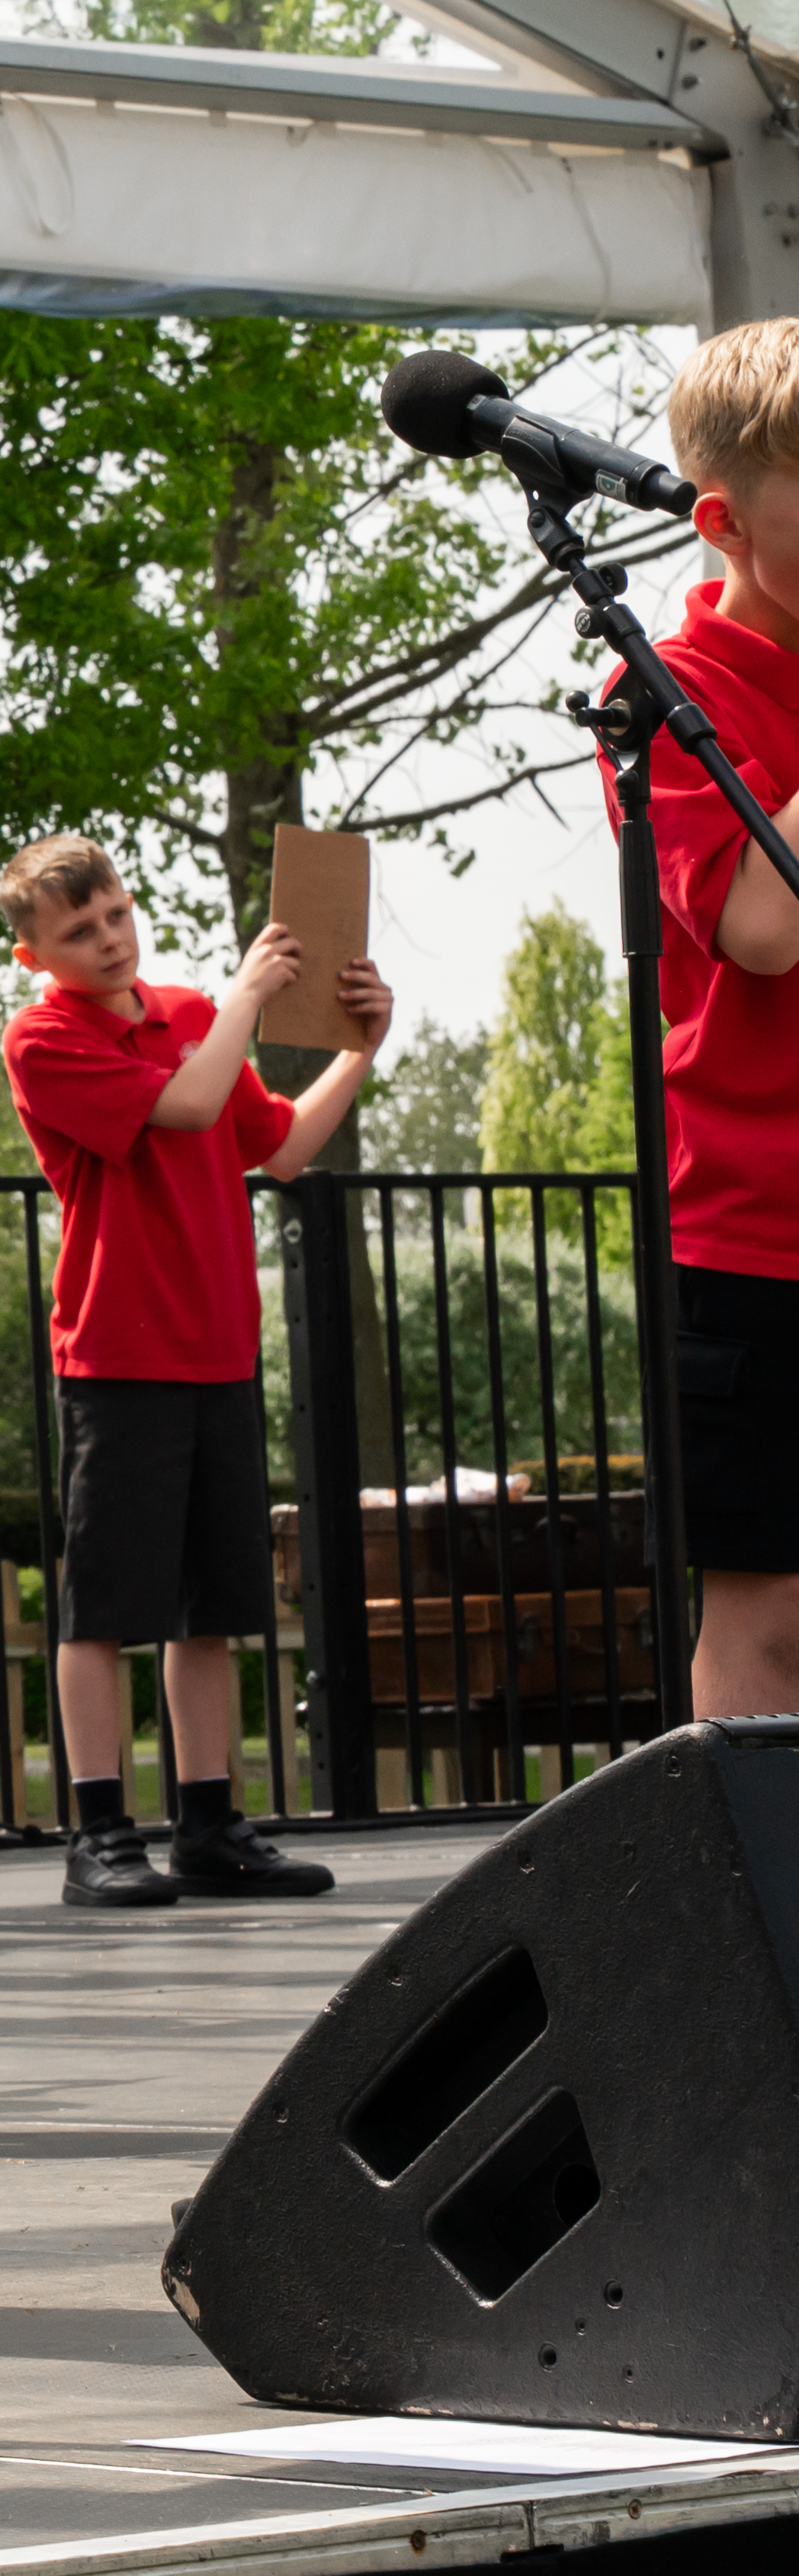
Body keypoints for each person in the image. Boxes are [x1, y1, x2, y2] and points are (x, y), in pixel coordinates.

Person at [1, 836, 386, 1904]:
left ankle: (211, 1826)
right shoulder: (41, 1037)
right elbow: (183, 1107)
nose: (109, 938)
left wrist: (358, 1050)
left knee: (213, 1609)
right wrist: (249, 1003)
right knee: (105, 1608)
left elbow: (284, 1145)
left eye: (116, 913)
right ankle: (101, 1837)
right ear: (36, 956)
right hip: (120, 1353)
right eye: (79, 931)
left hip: (219, 1348)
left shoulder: (185, 1013)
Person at [615, 322, 799, 1723]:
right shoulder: (661, 689)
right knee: (773, 1614)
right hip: (755, 1223)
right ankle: (747, 1937)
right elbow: (760, 919)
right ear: (720, 519)